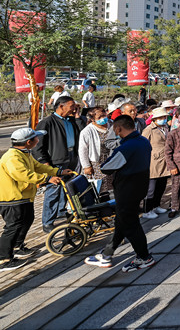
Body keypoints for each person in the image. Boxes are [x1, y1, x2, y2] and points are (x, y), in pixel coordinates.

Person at [84, 115, 154, 272]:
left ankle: (144, 257)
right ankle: (107, 254)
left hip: (127, 190)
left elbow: (106, 168)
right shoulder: (143, 141)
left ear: (118, 129)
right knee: (121, 221)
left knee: (130, 225)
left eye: (114, 129)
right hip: (140, 187)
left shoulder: (126, 148)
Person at [0, 128, 71, 271]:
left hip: (24, 196)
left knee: (27, 220)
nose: (38, 141)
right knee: (13, 226)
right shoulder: (12, 157)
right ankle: (4, 259)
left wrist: (58, 171)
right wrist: (47, 179)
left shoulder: (24, 153)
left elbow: (38, 167)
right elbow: (23, 174)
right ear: (28, 142)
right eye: (36, 138)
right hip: (11, 198)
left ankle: (17, 246)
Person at [31, 95, 80, 233]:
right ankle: (47, 221)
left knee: (66, 188)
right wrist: (44, 162)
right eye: (71, 106)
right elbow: (37, 146)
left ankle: (60, 211)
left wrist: (77, 116)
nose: (74, 109)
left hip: (71, 158)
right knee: (53, 190)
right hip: (55, 162)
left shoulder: (71, 120)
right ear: (61, 106)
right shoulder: (47, 122)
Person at [141, 107, 171, 220]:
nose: (164, 119)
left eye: (164, 117)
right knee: (151, 188)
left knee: (161, 185)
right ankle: (147, 210)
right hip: (153, 161)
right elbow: (143, 144)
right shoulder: (149, 130)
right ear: (155, 119)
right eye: (161, 117)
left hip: (164, 160)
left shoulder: (165, 128)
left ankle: (156, 206)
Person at [78, 107, 113, 193]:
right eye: (99, 117)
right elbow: (83, 150)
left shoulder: (112, 125)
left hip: (112, 161)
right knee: (101, 187)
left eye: (104, 115)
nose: (103, 118)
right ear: (92, 119)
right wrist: (86, 166)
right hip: (97, 163)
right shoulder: (87, 131)